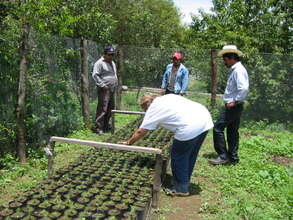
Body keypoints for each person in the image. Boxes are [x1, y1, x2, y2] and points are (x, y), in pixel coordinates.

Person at [119, 94, 213, 196]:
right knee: (190, 154)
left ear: (146, 106)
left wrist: (129, 142)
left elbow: (141, 131)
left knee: (178, 156)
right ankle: (183, 181)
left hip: (190, 126)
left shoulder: (153, 109)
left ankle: (180, 189)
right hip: (204, 119)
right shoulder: (167, 97)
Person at [209, 45, 249, 165]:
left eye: (225, 59)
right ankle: (233, 157)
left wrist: (234, 101)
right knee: (232, 131)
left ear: (231, 58)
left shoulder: (238, 70)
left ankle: (223, 156)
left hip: (233, 106)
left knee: (217, 128)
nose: (224, 62)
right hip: (235, 106)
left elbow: (244, 88)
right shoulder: (236, 69)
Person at [92, 46, 118, 134]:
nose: (111, 56)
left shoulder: (112, 62)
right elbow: (95, 75)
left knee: (110, 108)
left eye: (112, 55)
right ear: (104, 54)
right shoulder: (99, 63)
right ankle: (98, 127)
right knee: (103, 108)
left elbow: (113, 74)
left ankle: (106, 126)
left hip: (112, 89)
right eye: (109, 55)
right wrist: (103, 85)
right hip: (104, 89)